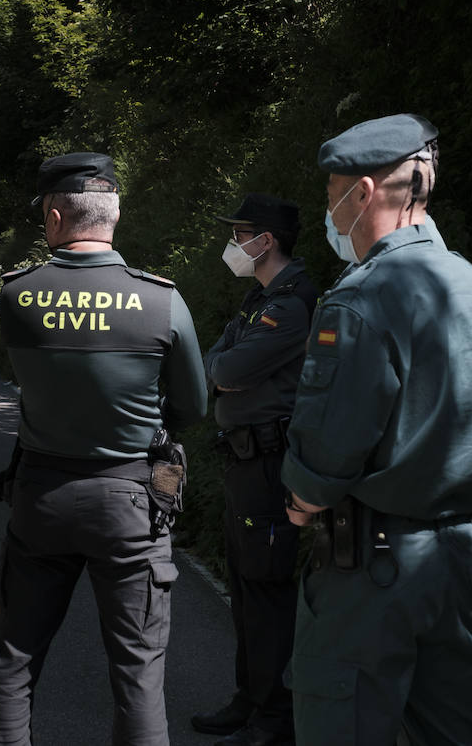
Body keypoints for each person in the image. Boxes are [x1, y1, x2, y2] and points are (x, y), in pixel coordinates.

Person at [280, 114, 472, 745]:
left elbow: (324, 461)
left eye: (332, 194)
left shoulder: (358, 301)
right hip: (456, 559)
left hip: (368, 571)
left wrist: (301, 502)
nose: (330, 212)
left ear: (362, 194)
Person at [0, 151, 208, 746]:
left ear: (54, 217)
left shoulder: (16, 296)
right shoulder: (160, 300)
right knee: (137, 674)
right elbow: (193, 407)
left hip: (41, 495)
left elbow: (29, 376)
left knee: (14, 660)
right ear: (116, 213)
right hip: (132, 499)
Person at [191, 194, 317, 746]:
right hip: (244, 460)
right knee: (245, 588)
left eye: (239, 234)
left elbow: (229, 367)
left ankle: (276, 716)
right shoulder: (258, 298)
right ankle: (249, 698)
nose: (233, 244)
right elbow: (212, 364)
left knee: (266, 590)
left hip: (270, 464)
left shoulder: (291, 305)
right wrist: (220, 367)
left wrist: (221, 368)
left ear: (265, 240)